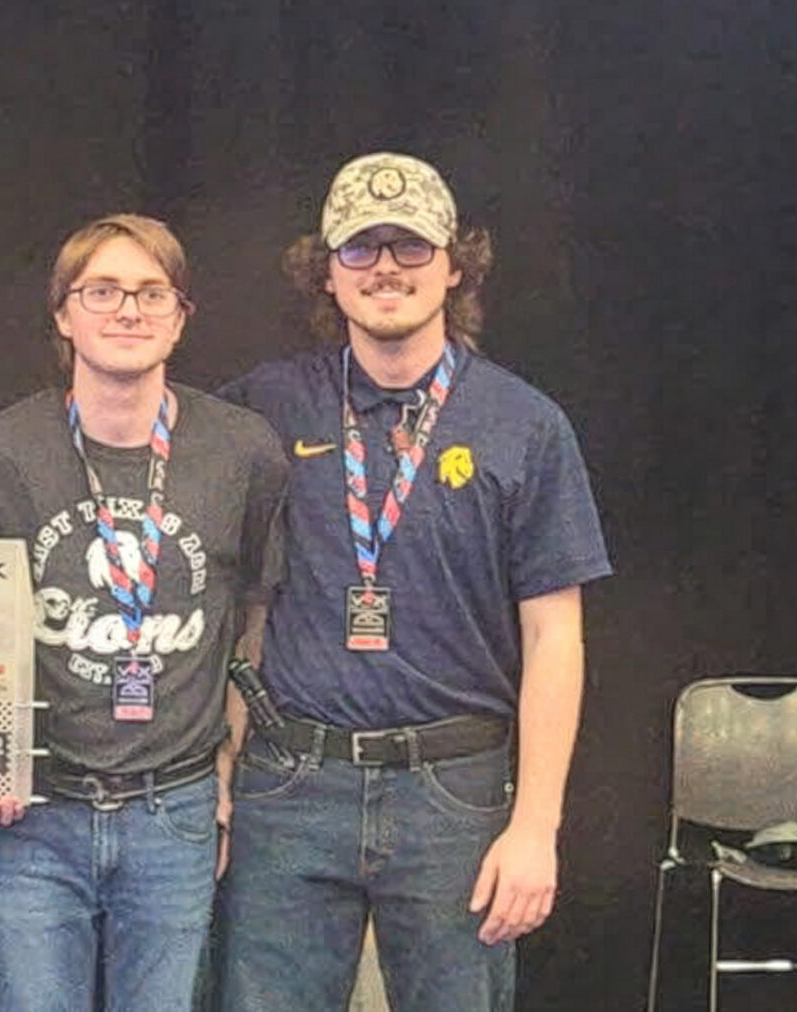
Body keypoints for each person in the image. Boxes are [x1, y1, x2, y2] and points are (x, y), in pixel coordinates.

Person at [214, 152, 612, 1011]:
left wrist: (537, 825)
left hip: (452, 791)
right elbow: (231, 596)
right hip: (291, 782)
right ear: (325, 272)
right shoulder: (261, 410)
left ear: (455, 264)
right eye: (360, 248)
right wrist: (219, 761)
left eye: (411, 246)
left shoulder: (526, 424)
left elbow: (556, 636)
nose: (386, 267)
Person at [0, 214, 288, 1011]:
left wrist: (228, 768)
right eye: (102, 291)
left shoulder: (243, 451)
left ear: (181, 316)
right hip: (33, 812)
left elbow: (254, 614)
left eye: (150, 292)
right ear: (63, 315)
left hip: (172, 808)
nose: (128, 310)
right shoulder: (3, 453)